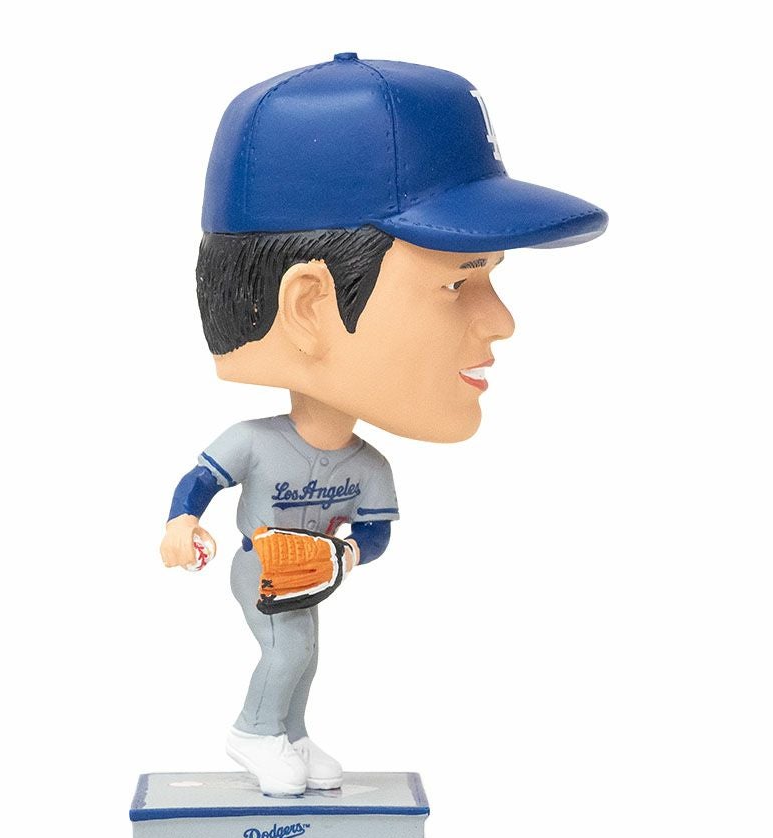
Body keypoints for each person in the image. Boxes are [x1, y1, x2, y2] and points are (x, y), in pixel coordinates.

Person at [160, 53, 607, 796]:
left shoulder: (367, 465)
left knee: (303, 656)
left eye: (491, 277)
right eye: (458, 280)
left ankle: (287, 737)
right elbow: (203, 480)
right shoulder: (254, 444)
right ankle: (256, 733)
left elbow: (372, 535)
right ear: (310, 307)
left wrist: (341, 557)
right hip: (257, 567)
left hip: (307, 572)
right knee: (287, 653)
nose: (501, 321)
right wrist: (182, 522)